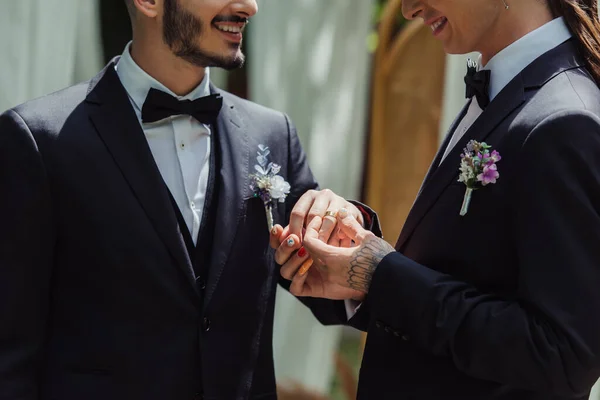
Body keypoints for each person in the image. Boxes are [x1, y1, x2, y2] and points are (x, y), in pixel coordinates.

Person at [0, 0, 371, 399]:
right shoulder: (39, 139)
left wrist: (347, 232)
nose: (250, 6)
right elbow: (10, 350)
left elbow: (331, 291)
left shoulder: (272, 133)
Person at [273, 0, 600, 398]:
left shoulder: (565, 120)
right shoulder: (505, 89)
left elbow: (561, 356)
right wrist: (357, 268)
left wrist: (381, 275)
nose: (409, 8)